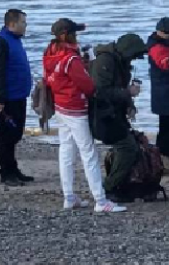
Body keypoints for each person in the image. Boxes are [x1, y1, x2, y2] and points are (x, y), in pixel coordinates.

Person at [43, 19, 126, 213]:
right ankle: (100, 200)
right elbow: (87, 86)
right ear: (67, 35)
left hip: (60, 105)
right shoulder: (70, 59)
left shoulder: (50, 52)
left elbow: (51, 78)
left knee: (66, 150)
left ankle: (69, 196)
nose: (77, 36)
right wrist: (86, 66)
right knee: (88, 152)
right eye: (74, 33)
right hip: (75, 107)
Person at [88, 33, 149, 201]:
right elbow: (101, 92)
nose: (134, 60)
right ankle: (108, 187)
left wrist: (130, 105)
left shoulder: (119, 61)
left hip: (113, 113)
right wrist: (127, 93)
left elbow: (118, 89)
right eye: (134, 56)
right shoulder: (105, 61)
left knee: (127, 147)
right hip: (102, 114)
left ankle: (116, 185)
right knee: (127, 148)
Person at [0, 9, 35, 185]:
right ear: (12, 24)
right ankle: (6, 174)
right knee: (6, 137)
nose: (25, 26)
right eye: (23, 22)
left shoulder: (15, 40)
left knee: (15, 134)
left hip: (18, 96)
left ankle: (13, 170)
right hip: (6, 99)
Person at [146, 17, 169, 164]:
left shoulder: (166, 44)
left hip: (167, 92)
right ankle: (162, 157)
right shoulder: (157, 48)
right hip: (165, 94)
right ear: (159, 32)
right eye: (167, 33)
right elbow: (168, 65)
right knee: (168, 129)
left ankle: (162, 157)